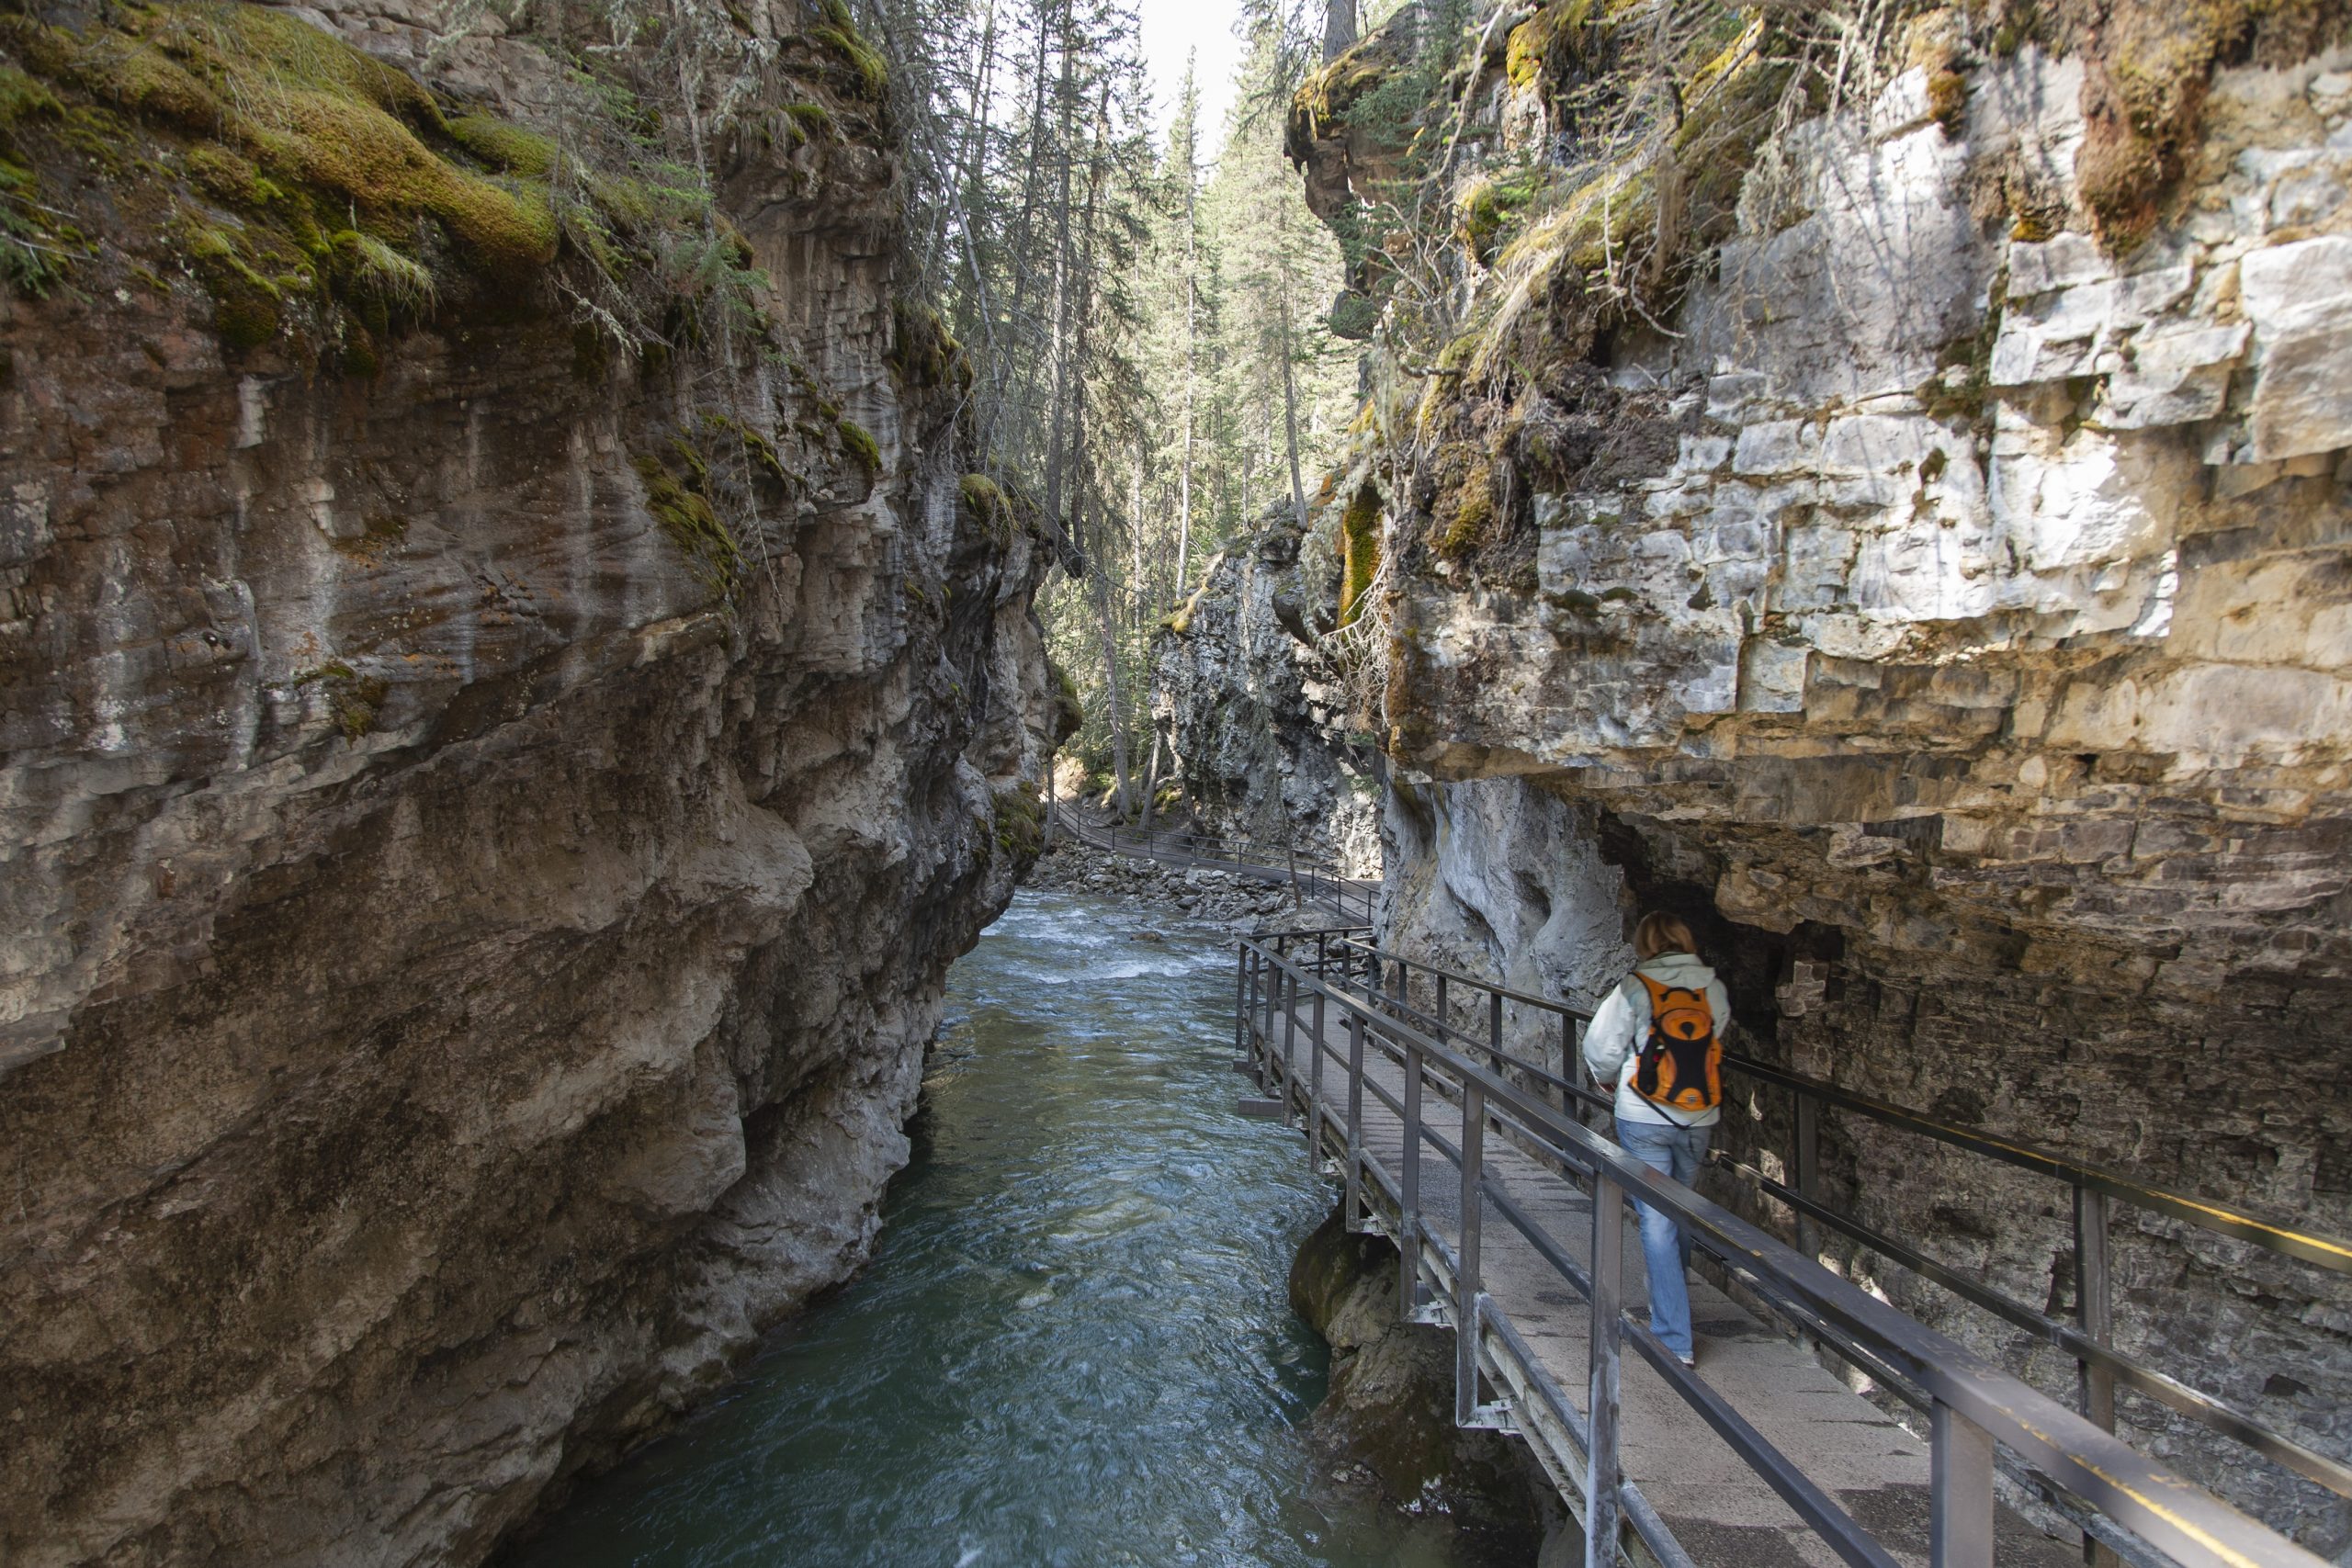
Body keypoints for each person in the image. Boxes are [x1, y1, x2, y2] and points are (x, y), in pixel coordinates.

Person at [1580, 912, 1730, 1369]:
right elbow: (1713, 1036)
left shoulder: (1636, 987)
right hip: (1698, 1114)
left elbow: (1601, 1046)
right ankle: (1673, 1303)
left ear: (1645, 943)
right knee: (1678, 1209)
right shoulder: (1713, 988)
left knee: (1658, 1220)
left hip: (1644, 1115)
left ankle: (1673, 1334)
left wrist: (1608, 1079)